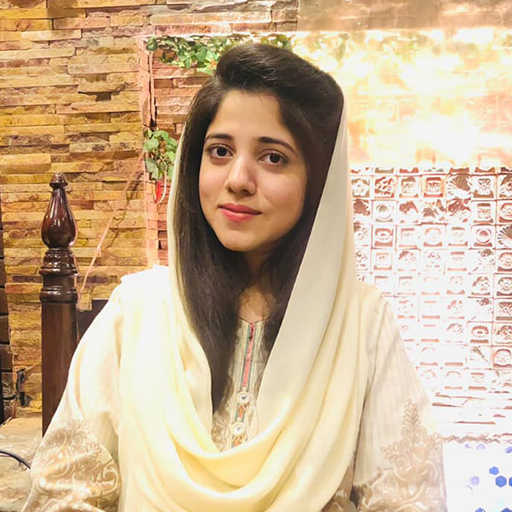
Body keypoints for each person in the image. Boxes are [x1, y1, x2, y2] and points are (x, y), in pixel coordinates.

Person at [22, 43, 447, 511]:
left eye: (273, 158)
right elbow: (64, 493)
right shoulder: (138, 313)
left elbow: (406, 501)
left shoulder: (361, 326)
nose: (239, 179)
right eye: (220, 151)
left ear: (318, 183)